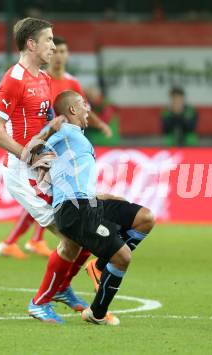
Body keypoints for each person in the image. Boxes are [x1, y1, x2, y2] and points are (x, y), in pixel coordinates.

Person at [0, 17, 89, 323]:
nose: (54, 47)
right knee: (74, 236)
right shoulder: (13, 80)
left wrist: (59, 128)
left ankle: (62, 288)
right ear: (31, 44)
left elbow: (43, 125)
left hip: (47, 169)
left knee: (81, 235)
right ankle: (41, 301)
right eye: (48, 40)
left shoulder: (43, 79)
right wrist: (27, 155)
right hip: (23, 173)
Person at [33, 90, 155, 325]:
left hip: (89, 202)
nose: (88, 109)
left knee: (145, 218)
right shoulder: (63, 130)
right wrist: (49, 129)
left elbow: (73, 175)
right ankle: (97, 313)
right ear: (72, 110)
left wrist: (101, 196)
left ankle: (100, 267)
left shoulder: (76, 137)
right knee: (123, 257)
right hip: (74, 210)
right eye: (83, 104)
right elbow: (33, 149)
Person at [0, 36, 113, 260]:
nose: (58, 54)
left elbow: (84, 110)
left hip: (61, 147)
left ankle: (32, 240)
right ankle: (29, 241)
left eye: (62, 51)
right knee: (48, 199)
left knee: (52, 198)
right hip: (43, 147)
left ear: (67, 55)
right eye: (55, 49)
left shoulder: (71, 83)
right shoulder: (39, 80)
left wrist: (99, 124)